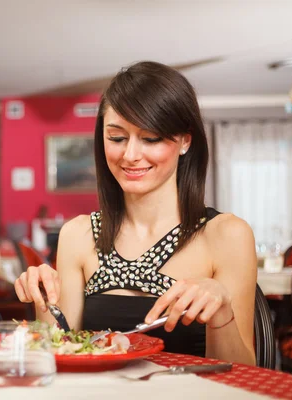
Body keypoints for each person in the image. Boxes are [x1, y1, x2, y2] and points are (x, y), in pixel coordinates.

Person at [15, 61, 257, 365]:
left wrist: (222, 315)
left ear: (185, 140)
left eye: (150, 138)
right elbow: (62, 352)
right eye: (117, 138)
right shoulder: (78, 234)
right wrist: (43, 301)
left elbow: (244, 375)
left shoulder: (226, 234)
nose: (130, 155)